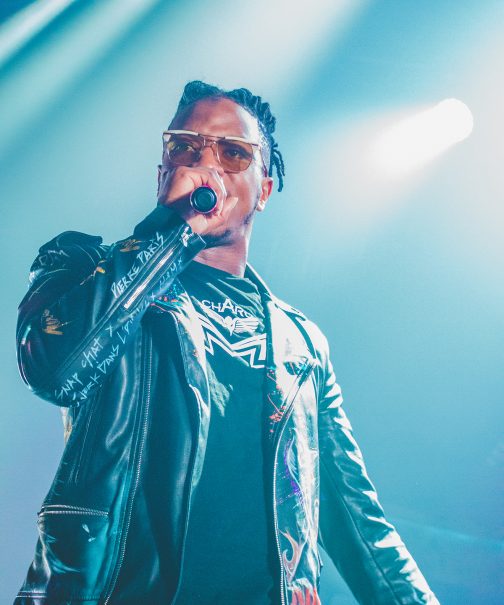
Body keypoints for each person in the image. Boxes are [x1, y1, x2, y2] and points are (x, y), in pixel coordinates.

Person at [14, 81, 440, 605]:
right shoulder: (87, 272)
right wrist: (171, 229)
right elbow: (56, 370)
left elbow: (357, 519)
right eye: (185, 147)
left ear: (263, 191)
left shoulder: (301, 345)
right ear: (162, 174)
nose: (206, 164)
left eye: (234, 153)